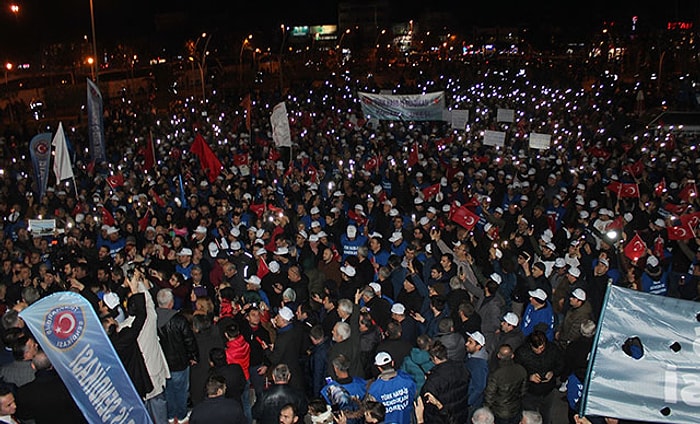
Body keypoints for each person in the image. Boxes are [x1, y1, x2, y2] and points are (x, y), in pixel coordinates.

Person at [156, 287, 200, 424]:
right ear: (171, 303)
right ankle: (181, 416)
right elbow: (189, 340)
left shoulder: (152, 319)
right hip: (180, 363)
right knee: (181, 391)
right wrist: (194, 356)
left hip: (161, 363)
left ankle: (170, 415)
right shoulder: (179, 320)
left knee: (167, 390)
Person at [14, 350, 86, 423]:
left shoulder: (24, 392)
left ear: (33, 366)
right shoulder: (68, 383)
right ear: (52, 364)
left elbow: (24, 415)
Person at [515, 331, 564, 424]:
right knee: (530, 417)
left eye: (542, 348)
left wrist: (553, 373)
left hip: (548, 390)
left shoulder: (552, 349)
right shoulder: (521, 353)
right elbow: (516, 372)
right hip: (530, 392)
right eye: (537, 349)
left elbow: (561, 364)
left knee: (546, 414)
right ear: (531, 345)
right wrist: (529, 377)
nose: (540, 351)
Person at [419, 340, 471, 424]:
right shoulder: (461, 367)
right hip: (460, 415)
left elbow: (428, 404)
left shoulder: (433, 380)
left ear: (435, 358)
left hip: (441, 419)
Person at [366, 352, 416, 424]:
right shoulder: (407, 380)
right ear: (392, 363)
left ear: (379, 368)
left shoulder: (374, 388)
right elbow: (414, 398)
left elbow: (373, 412)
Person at [484, 344, 528, 424]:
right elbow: (523, 391)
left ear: (498, 356)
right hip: (516, 408)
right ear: (512, 355)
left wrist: (486, 408)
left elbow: (489, 395)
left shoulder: (496, 374)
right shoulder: (521, 369)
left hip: (500, 411)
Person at [465, 331, 490, 416]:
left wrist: (468, 402)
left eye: (470, 342)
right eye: (467, 340)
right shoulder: (471, 355)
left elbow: (479, 387)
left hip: (472, 404)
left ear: (478, 346)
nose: (466, 344)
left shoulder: (479, 365)